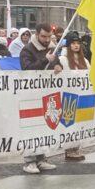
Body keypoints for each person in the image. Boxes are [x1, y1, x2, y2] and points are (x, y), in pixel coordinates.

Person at [19, 23, 62, 174]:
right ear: (36, 34)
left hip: (47, 93)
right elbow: (27, 69)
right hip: (31, 95)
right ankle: (29, 161)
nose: (46, 39)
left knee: (43, 127)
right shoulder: (27, 49)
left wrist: (58, 66)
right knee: (31, 128)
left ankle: (41, 158)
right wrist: (45, 60)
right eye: (43, 36)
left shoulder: (51, 47)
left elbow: (57, 63)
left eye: (49, 36)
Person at [59, 31, 89, 162]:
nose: (76, 46)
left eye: (78, 43)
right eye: (73, 43)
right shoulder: (63, 60)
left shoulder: (84, 60)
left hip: (81, 95)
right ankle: (69, 150)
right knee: (69, 123)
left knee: (79, 124)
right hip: (68, 96)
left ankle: (75, 147)